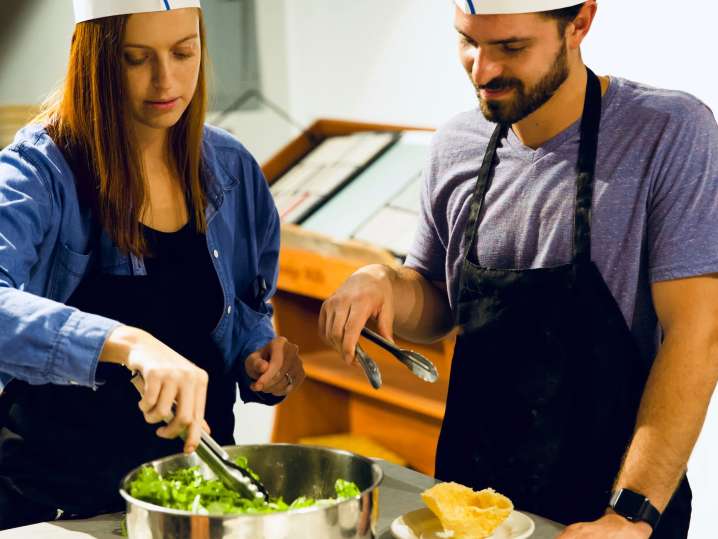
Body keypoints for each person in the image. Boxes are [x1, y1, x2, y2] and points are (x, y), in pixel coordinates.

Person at [319, 1, 718, 537]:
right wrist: (383, 283)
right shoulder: (455, 146)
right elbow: (437, 301)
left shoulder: (667, 132)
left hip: (608, 513)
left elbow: (699, 332)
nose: (482, 70)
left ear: (579, 24)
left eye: (510, 47)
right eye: (468, 42)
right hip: (471, 507)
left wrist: (632, 515)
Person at [0, 0, 305, 528]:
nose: (166, 80)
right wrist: (129, 343)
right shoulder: (38, 170)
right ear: (94, 60)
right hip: (55, 501)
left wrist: (261, 357)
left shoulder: (231, 169)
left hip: (197, 493)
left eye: (184, 52)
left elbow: (248, 312)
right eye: (136, 58)